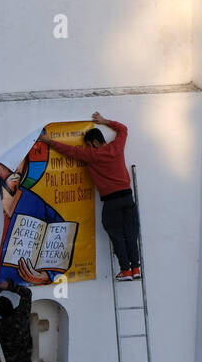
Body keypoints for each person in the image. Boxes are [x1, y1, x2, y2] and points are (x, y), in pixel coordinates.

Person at [42, 112, 141, 282]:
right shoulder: (117, 147)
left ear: (95, 142)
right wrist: (104, 121)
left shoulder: (91, 155)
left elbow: (70, 151)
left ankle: (125, 270)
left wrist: (48, 141)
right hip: (127, 197)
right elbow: (123, 129)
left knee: (116, 233)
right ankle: (136, 268)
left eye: (88, 144)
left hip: (111, 201)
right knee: (131, 233)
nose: (87, 148)